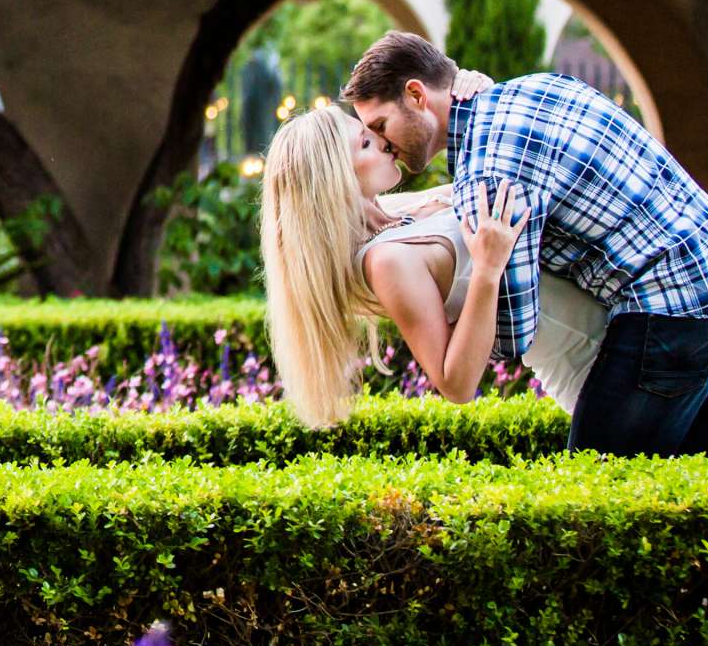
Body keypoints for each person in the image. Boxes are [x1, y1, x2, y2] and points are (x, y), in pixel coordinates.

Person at [342, 30, 708, 457]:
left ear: (416, 95)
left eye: (381, 127)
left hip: (674, 313)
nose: (385, 144)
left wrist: (458, 295)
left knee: (593, 506)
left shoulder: (487, 174)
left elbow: (516, 331)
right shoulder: (537, 88)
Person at [258, 92, 608, 428]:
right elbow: (456, 384)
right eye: (365, 144)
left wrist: (465, 88)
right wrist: (487, 271)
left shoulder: (398, 211)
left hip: (619, 319)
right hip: (590, 362)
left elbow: (491, 175)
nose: (383, 142)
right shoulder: (386, 261)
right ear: (334, 181)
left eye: (372, 133)